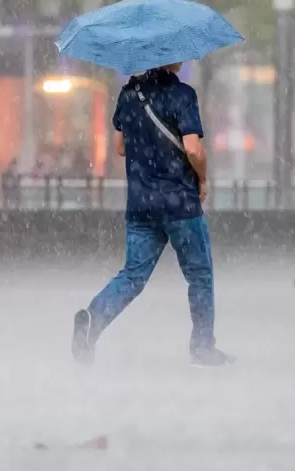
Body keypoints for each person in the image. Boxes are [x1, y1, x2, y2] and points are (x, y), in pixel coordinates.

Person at [71, 63, 234, 367]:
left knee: (132, 275)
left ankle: (92, 320)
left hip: (141, 203)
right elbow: (193, 149)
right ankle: (202, 347)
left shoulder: (129, 93)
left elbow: (120, 147)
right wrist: (203, 178)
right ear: (170, 58)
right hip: (179, 203)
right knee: (199, 275)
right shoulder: (182, 94)